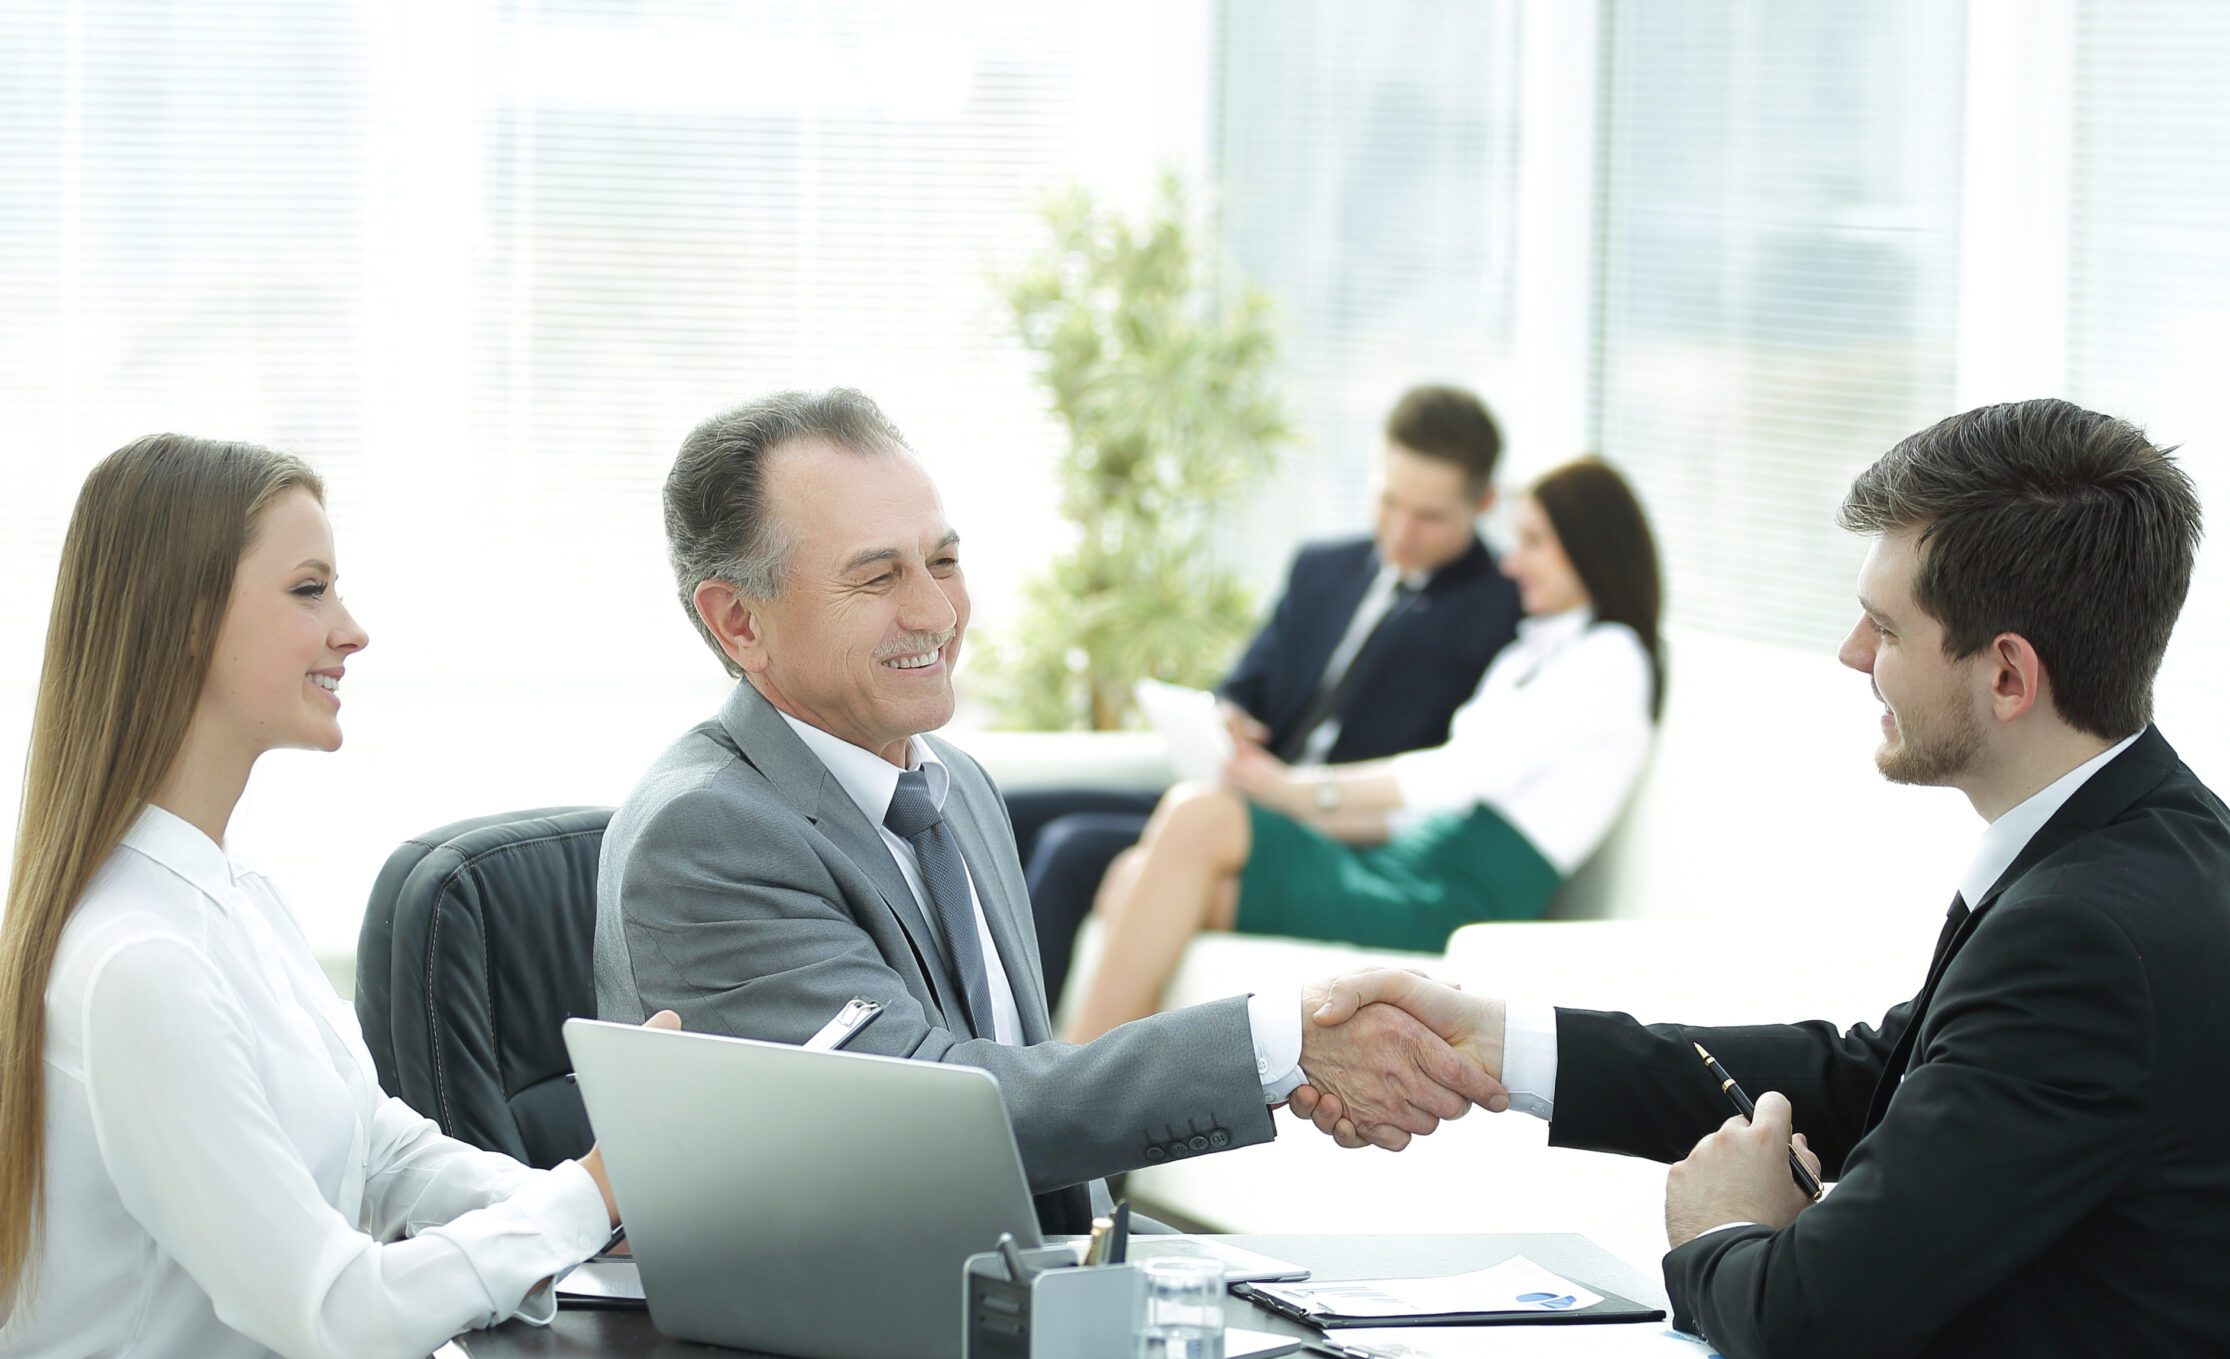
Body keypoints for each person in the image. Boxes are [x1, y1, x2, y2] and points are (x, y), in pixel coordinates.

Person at [1308, 400, 2230, 1359]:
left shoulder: (2089, 932)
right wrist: (1495, 1042)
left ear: (2009, 675)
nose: (1851, 655)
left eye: (1883, 629)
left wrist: (1724, 1231)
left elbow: (1813, 1315)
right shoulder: (2148, 836)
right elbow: (1866, 1078)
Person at [590, 388, 1505, 1238]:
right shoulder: (707, 834)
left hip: (1007, 1302)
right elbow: (933, 1120)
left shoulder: (960, 789)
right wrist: (1278, 1041)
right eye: (877, 580)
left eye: (944, 560)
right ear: (738, 622)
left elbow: (1042, 1176)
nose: (937, 612)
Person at [0, 435, 663, 1359]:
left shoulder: (233, 898)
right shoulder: (138, 963)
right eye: (309, 590)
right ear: (181, 621)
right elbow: (338, 1312)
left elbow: (381, 1145)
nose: (350, 629)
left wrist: (611, 1196)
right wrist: (573, 1202)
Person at [1066, 457, 1664, 1043]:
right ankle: (1112, 1091)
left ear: (1593, 547)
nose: (1511, 562)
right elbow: (1418, 810)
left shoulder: (1611, 660)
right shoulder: (1530, 654)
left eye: (1533, 542)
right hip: (1403, 860)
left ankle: (1073, 1088)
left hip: (1450, 900)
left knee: (1197, 814)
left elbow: (1456, 774)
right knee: (1131, 875)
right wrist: (1290, 803)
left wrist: (1295, 790)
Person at [1006, 384, 1524, 1007]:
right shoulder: (1323, 567)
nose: (1401, 530)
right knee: (1002, 812)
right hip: (1241, 791)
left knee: (1073, 847)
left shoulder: (1500, 611)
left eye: (1430, 515)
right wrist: (1230, 716)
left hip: (1327, 831)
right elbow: (1248, 680)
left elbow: (1446, 774)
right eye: (1388, 501)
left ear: (1485, 502)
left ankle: (1019, 1054)